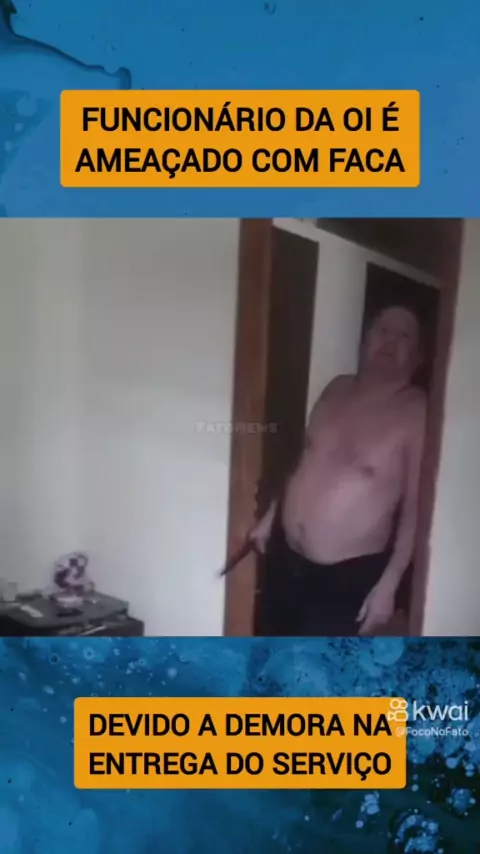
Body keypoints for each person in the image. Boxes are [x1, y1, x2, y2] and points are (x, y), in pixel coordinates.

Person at [250, 304, 427, 636]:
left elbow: (417, 508)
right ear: (365, 340)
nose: (390, 340)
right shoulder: (336, 388)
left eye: (404, 334)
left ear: (417, 356)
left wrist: (390, 584)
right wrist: (270, 517)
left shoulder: (416, 411)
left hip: (345, 579)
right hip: (285, 558)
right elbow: (304, 460)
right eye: (382, 329)